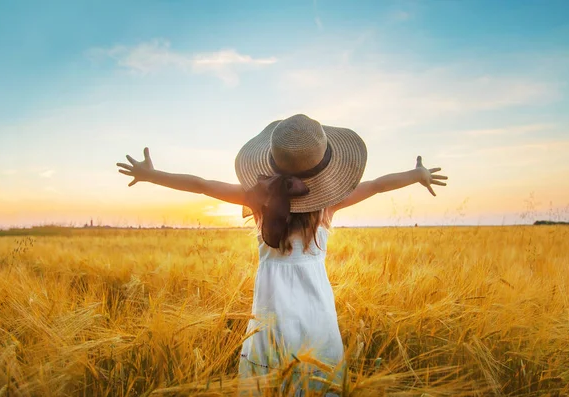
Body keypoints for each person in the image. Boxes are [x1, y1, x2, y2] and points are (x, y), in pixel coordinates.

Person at [117, 114, 448, 395]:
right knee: (319, 372)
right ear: (324, 172)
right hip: (315, 307)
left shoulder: (257, 200)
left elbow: (203, 184)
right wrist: (417, 175)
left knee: (268, 374)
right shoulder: (329, 206)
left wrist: (152, 175)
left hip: (270, 306)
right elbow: (377, 184)